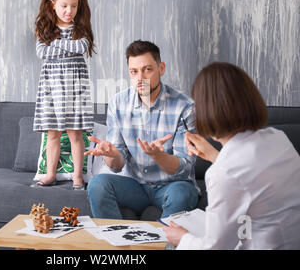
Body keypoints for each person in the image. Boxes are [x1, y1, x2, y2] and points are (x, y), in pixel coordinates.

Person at [163, 62, 300, 249]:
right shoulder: (278, 139)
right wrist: (214, 155)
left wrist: (182, 238)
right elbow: (249, 178)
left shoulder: (224, 172)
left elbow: (215, 247)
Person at [86, 40, 200, 219]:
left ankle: (166, 246)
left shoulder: (184, 106)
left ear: (161, 68)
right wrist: (112, 154)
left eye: (147, 69)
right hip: (135, 186)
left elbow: (185, 167)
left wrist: (158, 156)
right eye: (134, 71)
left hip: (172, 186)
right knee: (97, 184)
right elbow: (116, 166)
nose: (140, 78)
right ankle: (114, 242)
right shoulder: (118, 103)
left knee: (183, 193)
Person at [33, 0, 95, 190]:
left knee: (76, 134)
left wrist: (56, 43)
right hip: (52, 89)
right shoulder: (45, 28)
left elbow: (81, 47)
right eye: (64, 6)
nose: (70, 11)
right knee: (53, 134)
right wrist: (67, 47)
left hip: (75, 88)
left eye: (74, 6)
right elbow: (42, 52)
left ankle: (77, 176)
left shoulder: (80, 28)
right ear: (53, 5)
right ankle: (51, 174)